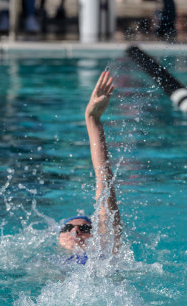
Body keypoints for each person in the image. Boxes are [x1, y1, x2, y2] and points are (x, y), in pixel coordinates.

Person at [58, 71, 121, 264]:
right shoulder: (40, 265)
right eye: (67, 228)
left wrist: (92, 119)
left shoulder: (104, 256)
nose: (75, 231)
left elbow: (103, 181)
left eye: (85, 229)